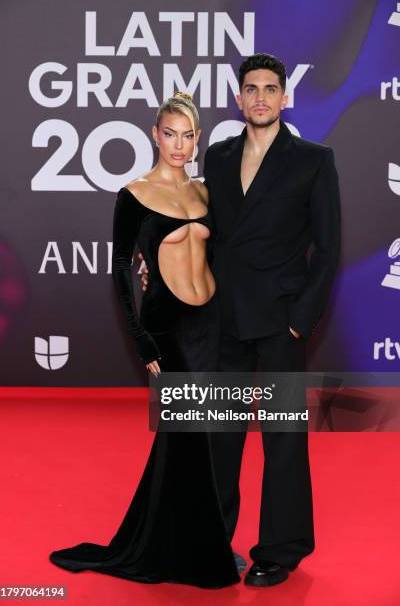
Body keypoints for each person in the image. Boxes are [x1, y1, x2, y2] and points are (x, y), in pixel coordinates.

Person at [142, 53, 341, 587]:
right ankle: (213, 539)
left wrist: (301, 320)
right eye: (250, 89)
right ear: (238, 98)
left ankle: (281, 548)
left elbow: (327, 249)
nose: (260, 98)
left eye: (269, 89)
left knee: (282, 438)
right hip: (223, 317)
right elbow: (200, 232)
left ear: (284, 97)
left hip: (280, 321)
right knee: (218, 436)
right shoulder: (222, 156)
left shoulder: (312, 160)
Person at [48, 92, 240, 589]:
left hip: (211, 322)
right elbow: (118, 271)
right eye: (170, 134)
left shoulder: (205, 192)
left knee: (199, 439)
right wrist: (142, 341)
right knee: (190, 437)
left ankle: (184, 541)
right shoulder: (134, 194)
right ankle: (190, 553)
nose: (179, 144)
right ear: (156, 135)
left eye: (188, 135)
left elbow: (221, 252)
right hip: (169, 327)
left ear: (197, 139)